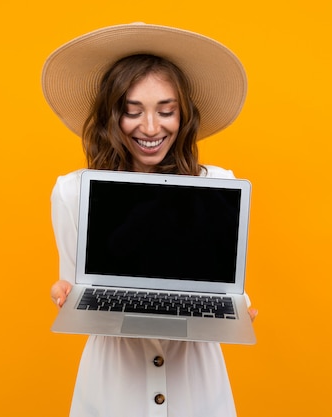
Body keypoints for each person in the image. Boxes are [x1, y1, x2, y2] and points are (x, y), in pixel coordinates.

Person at [43, 23, 257, 417]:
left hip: (197, 383)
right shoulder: (73, 192)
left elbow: (227, 285)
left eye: (166, 110)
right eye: (132, 111)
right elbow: (78, 287)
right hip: (112, 387)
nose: (151, 128)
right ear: (112, 115)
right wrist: (67, 293)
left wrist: (238, 306)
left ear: (183, 115)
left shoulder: (218, 186)